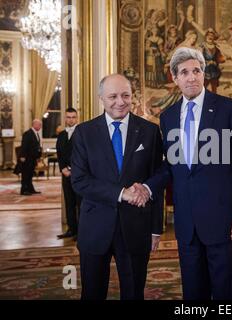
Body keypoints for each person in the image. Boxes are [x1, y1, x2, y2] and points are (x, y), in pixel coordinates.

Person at [147, 47, 232, 300]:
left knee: (224, 292)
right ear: (175, 78)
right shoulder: (168, 117)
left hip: (224, 220)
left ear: (204, 74)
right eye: (184, 72)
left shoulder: (229, 108)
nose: (191, 77)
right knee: (193, 292)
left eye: (196, 70)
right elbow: (171, 165)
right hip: (187, 224)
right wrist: (148, 186)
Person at [70, 74, 164, 300]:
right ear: (101, 98)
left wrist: (155, 228)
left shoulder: (150, 131)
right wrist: (122, 194)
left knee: (133, 293)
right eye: (113, 96)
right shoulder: (84, 132)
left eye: (126, 95)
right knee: (92, 293)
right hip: (95, 227)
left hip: (136, 227)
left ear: (133, 97)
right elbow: (80, 181)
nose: (120, 102)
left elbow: (159, 175)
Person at [56, 108, 81, 240]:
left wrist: (74, 169)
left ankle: (81, 232)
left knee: (80, 203)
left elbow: (84, 154)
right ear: (65, 119)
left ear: (77, 118)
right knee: (69, 202)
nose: (71, 119)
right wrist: (63, 168)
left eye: (73, 117)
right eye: (68, 117)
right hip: (65, 174)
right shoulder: (61, 135)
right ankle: (71, 229)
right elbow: (59, 154)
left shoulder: (82, 133)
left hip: (79, 174)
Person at [18, 119, 42, 195]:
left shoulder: (35, 133)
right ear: (34, 124)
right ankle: (24, 190)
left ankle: (30, 189)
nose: (40, 126)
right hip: (27, 158)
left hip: (32, 158)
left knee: (30, 174)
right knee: (25, 174)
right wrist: (22, 156)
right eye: (39, 125)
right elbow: (24, 146)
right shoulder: (27, 133)